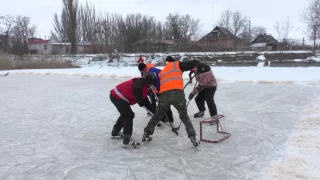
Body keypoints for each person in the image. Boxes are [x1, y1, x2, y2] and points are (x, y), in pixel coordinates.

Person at [142, 56, 204, 148]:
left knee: (157, 116)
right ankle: (193, 137)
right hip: (178, 94)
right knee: (184, 116)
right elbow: (193, 63)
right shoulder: (177, 64)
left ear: (166, 63)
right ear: (173, 61)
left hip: (164, 95)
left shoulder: (162, 72)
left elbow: (158, 85)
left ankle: (147, 133)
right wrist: (200, 66)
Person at [110, 72, 156, 148]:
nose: (152, 85)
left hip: (118, 95)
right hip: (118, 96)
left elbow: (144, 100)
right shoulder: (141, 83)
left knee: (126, 114)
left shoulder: (145, 85)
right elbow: (139, 93)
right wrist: (141, 101)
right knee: (128, 115)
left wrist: (152, 110)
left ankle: (115, 132)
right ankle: (127, 139)